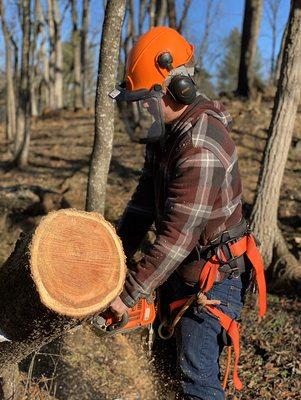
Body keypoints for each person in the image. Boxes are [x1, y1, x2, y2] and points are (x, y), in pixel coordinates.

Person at [108, 27, 266, 400]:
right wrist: (113, 257)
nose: (143, 109)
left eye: (147, 99)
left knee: (196, 383)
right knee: (165, 369)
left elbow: (178, 236)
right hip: (177, 267)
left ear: (178, 89)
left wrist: (127, 294)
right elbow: (143, 204)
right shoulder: (167, 134)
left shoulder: (200, 143)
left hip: (212, 277)